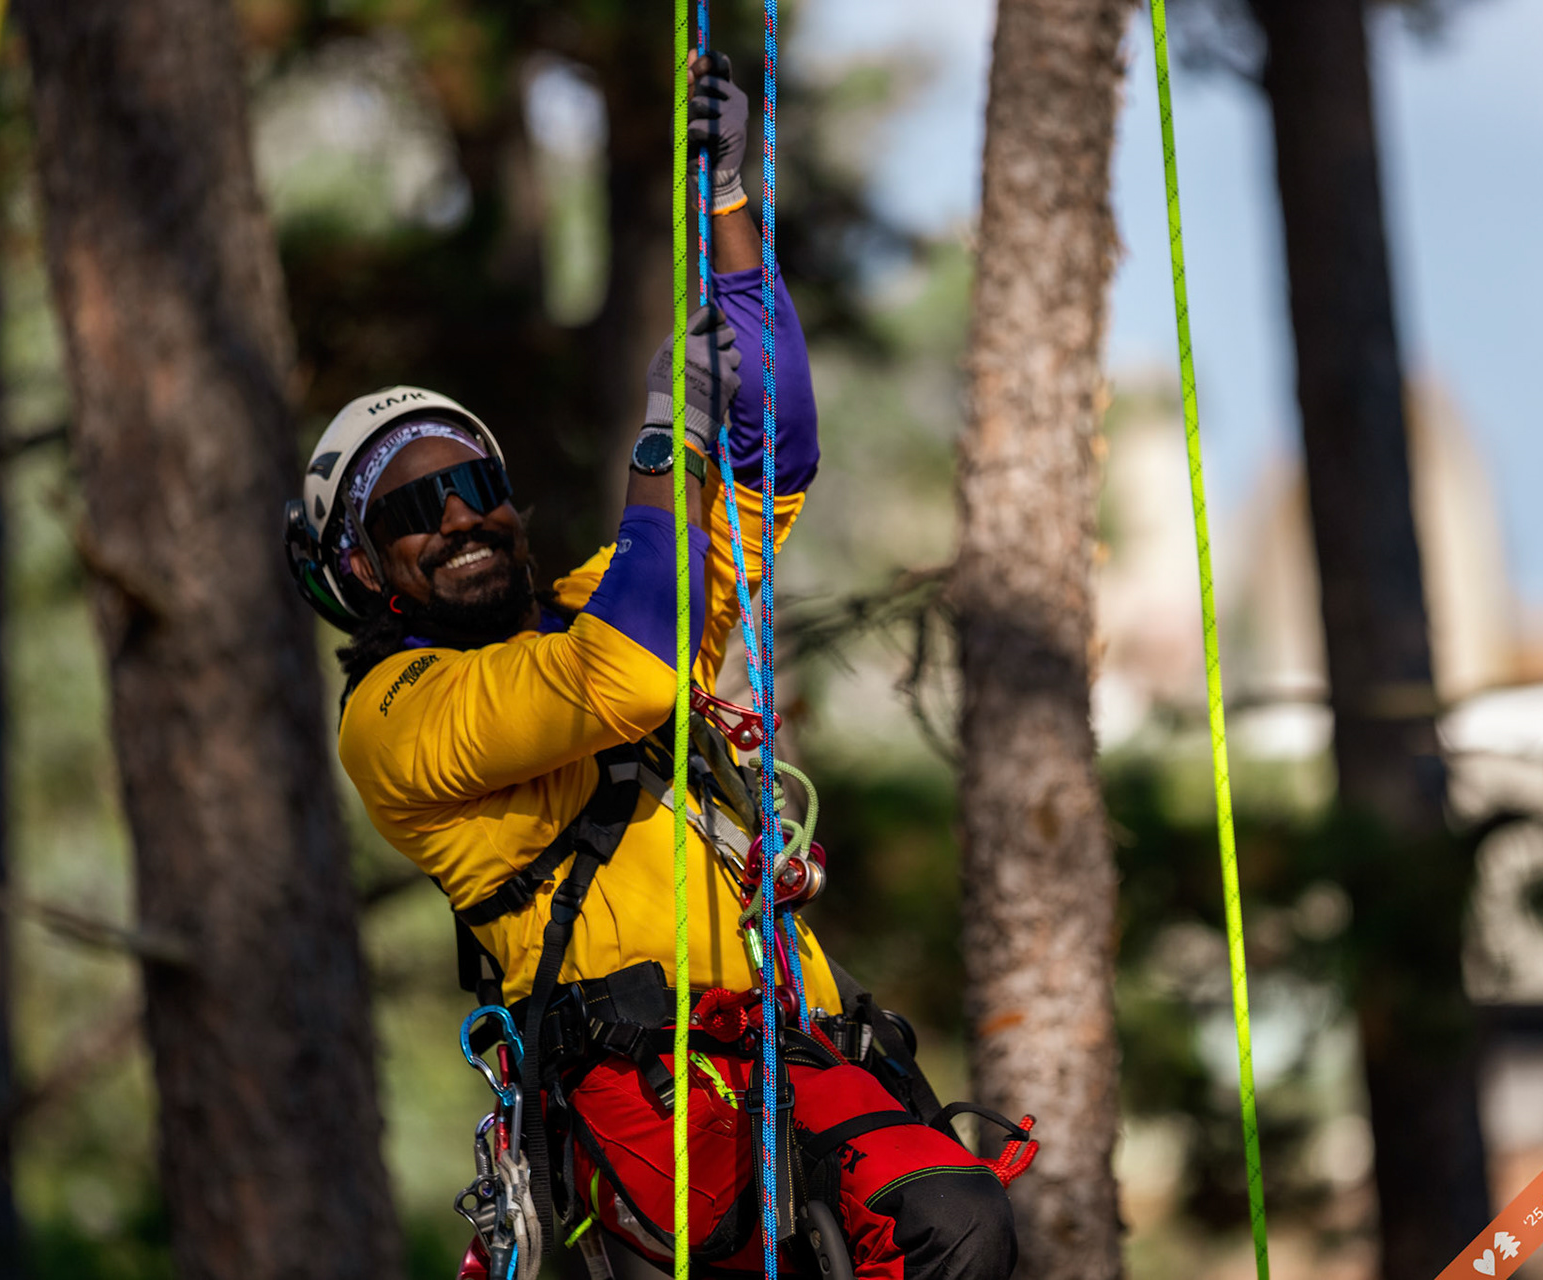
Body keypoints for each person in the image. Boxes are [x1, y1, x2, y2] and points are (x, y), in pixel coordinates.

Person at [283, 54, 1023, 1280]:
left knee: (956, 1217)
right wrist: (660, 437)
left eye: (475, 486)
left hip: (789, 1059)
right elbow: (619, 680)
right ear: (366, 572)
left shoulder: (598, 603)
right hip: (655, 1120)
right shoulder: (397, 718)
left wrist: (731, 215)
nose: (462, 517)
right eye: (416, 509)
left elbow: (772, 457)